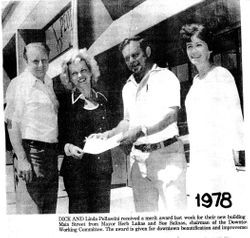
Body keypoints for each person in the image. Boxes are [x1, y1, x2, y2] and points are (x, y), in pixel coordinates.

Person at [93, 35, 187, 212]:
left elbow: (171, 115)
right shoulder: (127, 87)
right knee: (145, 220)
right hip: (139, 161)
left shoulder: (165, 77)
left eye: (135, 55)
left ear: (147, 52)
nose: (131, 61)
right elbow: (127, 121)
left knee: (176, 218)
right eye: (127, 58)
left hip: (167, 157)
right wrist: (110, 134)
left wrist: (141, 131)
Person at [179, 23, 245, 209]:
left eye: (199, 44)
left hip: (218, 158)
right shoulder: (195, 82)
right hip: (199, 158)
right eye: (189, 46)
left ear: (210, 49)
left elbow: (235, 117)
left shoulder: (221, 75)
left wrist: (239, 154)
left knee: (220, 211)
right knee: (203, 211)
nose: (194, 51)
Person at [5, 42, 59, 214]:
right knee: (31, 214)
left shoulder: (48, 81)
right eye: (35, 61)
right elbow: (12, 123)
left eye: (45, 60)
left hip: (51, 155)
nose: (41, 65)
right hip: (32, 153)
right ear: (26, 61)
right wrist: (22, 158)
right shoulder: (19, 84)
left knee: (49, 213)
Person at [59, 49, 113, 213]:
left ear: (90, 71)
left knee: (102, 219)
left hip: (102, 170)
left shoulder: (102, 99)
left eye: (83, 70)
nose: (80, 76)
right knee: (81, 221)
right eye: (74, 73)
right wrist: (68, 148)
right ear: (69, 77)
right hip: (77, 173)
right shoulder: (65, 104)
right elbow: (59, 137)